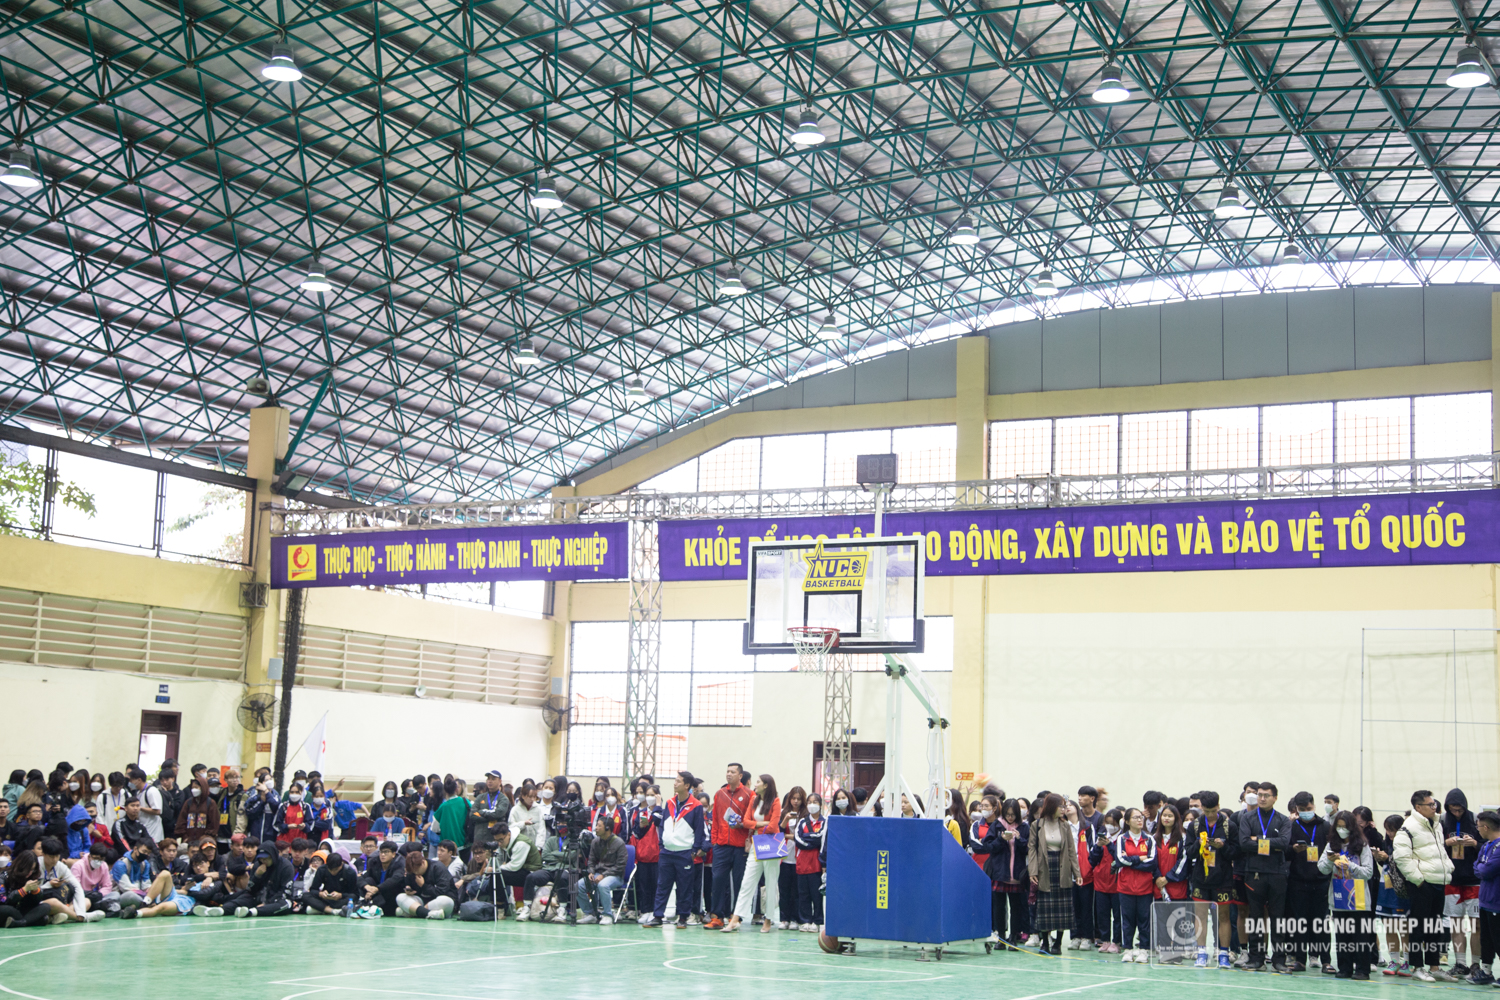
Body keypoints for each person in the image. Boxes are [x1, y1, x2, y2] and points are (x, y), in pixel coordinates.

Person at [1393, 789, 1457, 981]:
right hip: (1422, 884)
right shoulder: (1408, 827)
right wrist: (1419, 880)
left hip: (1439, 881)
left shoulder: (1436, 824)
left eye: (1434, 804)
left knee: (1435, 928)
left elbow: (1440, 850)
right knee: (1418, 928)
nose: (1434, 807)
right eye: (1430, 805)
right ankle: (1417, 967)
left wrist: (1449, 868)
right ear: (1418, 807)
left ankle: (1434, 967)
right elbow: (1402, 858)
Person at [1238, 781, 1290, 972]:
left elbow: (1284, 843)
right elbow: (1244, 843)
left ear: (1275, 798)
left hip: (1277, 874)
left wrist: (1257, 840)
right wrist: (1270, 843)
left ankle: (1279, 960)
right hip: (1254, 873)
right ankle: (1256, 958)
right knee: (1256, 917)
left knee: (1278, 918)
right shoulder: (1247, 818)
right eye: (1259, 794)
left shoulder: (1283, 820)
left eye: (1266, 795)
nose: (1262, 798)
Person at [1319, 809, 1376, 980]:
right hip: (1338, 894)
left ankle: (1362, 969)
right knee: (1342, 935)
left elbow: (1368, 872)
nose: (1341, 830)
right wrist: (1330, 863)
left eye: (1345, 827)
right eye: (1339, 827)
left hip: (1358, 895)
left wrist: (1349, 864)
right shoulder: (1331, 845)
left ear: (1352, 827)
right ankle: (1344, 968)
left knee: (1360, 936)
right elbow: (1321, 868)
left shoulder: (1362, 846)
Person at [644, 770, 705, 929]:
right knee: (662, 885)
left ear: (687, 785)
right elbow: (663, 824)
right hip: (666, 852)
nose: (674, 783)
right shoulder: (670, 802)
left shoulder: (696, 806)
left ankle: (683, 917)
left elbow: (699, 830)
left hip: (685, 852)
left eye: (678, 781)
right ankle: (658, 916)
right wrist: (662, 845)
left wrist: (694, 850)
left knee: (684, 887)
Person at [724, 773, 780, 933]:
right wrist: (760, 824)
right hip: (756, 844)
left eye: (758, 782)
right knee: (747, 882)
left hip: (771, 843)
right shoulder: (754, 800)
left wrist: (757, 826)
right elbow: (746, 822)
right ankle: (735, 919)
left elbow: (774, 826)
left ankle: (768, 919)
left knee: (769, 883)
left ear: (766, 785)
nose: (755, 784)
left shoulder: (775, 801)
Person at [1284, 791, 1332, 972]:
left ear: (1314, 806)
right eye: (1302, 809)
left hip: (1321, 881)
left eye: (1309, 808)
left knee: (1321, 923)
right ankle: (1300, 960)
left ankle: (1326, 960)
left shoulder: (1325, 826)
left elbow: (1333, 849)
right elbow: (1284, 853)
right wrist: (1293, 849)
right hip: (1298, 881)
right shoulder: (1291, 827)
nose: (1306, 811)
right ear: (1296, 809)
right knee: (1299, 923)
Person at [1027, 792, 1080, 955]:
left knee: (1062, 909)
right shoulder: (1037, 825)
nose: (1064, 809)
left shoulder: (1065, 826)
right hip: (1044, 867)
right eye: (1061, 806)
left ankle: (1058, 943)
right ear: (1051, 807)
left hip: (1062, 867)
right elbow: (1032, 849)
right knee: (1044, 908)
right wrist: (1033, 870)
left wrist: (1077, 873)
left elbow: (1071, 850)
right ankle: (1044, 942)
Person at [1188, 790, 1235, 968]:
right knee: (1199, 916)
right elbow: (1188, 852)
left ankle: (1223, 953)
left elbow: (1236, 852)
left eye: (1212, 811)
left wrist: (1222, 846)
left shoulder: (1229, 826)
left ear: (1218, 807)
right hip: (1201, 877)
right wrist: (1198, 845)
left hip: (1223, 878)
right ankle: (1201, 953)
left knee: (1223, 917)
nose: (1208, 815)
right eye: (1205, 811)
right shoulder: (1194, 825)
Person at [706, 762, 753, 929]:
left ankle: (736, 917)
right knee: (718, 880)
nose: (729, 774)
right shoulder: (719, 794)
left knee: (739, 881)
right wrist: (715, 841)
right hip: (721, 846)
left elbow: (751, 820)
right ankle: (716, 917)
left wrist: (742, 826)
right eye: (727, 771)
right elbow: (717, 819)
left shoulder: (749, 795)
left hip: (740, 846)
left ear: (740, 776)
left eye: (732, 772)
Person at [980, 797, 1030, 947]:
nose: (1010, 817)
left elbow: (1028, 849)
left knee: (1016, 907)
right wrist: (1001, 839)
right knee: (999, 907)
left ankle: (1013, 937)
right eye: (1007, 814)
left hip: (1017, 874)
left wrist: (1019, 839)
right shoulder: (996, 825)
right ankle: (1001, 937)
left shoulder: (1024, 827)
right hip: (999, 873)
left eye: (1013, 814)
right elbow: (988, 846)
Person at [1442, 788, 1482, 976]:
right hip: (1452, 880)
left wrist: (1474, 843)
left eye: (1459, 810)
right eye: (1453, 810)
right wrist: (1446, 844)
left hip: (1474, 880)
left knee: (1476, 925)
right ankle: (1460, 963)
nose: (1456, 813)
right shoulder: (1442, 821)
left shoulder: (1475, 820)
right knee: (1456, 924)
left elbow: (1488, 845)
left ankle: (1475, 964)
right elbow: (1434, 847)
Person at [1112, 807, 1157, 964]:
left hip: (1145, 887)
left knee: (1144, 919)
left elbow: (1152, 862)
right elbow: (1120, 860)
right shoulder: (1121, 840)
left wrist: (1131, 860)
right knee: (1127, 920)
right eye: (1135, 817)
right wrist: (1140, 858)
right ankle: (1128, 950)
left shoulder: (1149, 839)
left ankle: (1144, 950)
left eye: (1141, 817)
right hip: (1126, 887)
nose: (1139, 820)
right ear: (1127, 821)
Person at [1373, 812, 1410, 976]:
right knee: (1389, 927)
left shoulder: (1407, 844)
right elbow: (1385, 863)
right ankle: (1394, 960)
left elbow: (1406, 864)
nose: (1390, 833)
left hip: (1401, 891)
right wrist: (1379, 857)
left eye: (1393, 830)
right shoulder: (1385, 843)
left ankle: (1407, 962)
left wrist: (1389, 858)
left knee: (1404, 928)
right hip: (1385, 889)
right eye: (1387, 830)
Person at [575, 815, 627, 925]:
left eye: (599, 826)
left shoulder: (619, 843)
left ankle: (607, 914)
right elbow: (591, 860)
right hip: (598, 874)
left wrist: (604, 875)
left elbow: (620, 866)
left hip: (615, 876)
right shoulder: (595, 842)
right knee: (578, 886)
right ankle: (590, 914)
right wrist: (591, 872)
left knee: (603, 885)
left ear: (607, 828)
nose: (596, 828)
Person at [1471, 810, 1500, 985]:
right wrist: (1481, 867)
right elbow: (1478, 867)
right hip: (1485, 901)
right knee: (1486, 940)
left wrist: (1481, 867)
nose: (1478, 830)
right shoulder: (1485, 846)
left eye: (1479, 826)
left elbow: (1486, 870)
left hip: (1497, 902)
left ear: (1486, 827)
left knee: (1498, 940)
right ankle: (1486, 972)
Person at [627, 785, 661, 922]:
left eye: (652, 795)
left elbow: (658, 821)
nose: (649, 798)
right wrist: (640, 827)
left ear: (658, 796)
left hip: (657, 855)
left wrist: (658, 806)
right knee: (644, 885)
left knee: (656, 885)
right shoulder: (642, 813)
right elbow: (636, 833)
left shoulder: (662, 812)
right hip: (643, 855)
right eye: (648, 795)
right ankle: (645, 911)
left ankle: (655, 911)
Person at [774, 785, 806, 931]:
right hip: (784, 857)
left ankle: (795, 918)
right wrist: (785, 820)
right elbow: (778, 833)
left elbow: (804, 836)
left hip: (799, 857)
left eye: (799, 799)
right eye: (793, 798)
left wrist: (791, 836)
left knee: (797, 891)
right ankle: (784, 918)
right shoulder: (783, 813)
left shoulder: (805, 814)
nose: (796, 801)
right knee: (784, 889)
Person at [233, 844, 295, 918]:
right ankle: (222, 910)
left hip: (277, 899)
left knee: (286, 904)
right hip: (259, 898)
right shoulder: (257, 865)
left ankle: (250, 912)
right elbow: (250, 890)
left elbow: (286, 892)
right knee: (243, 898)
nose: (263, 861)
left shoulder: (286, 866)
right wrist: (257, 876)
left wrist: (267, 903)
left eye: (266, 858)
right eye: (261, 858)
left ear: (273, 856)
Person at [793, 792, 825, 931]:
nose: (812, 805)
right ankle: (805, 920)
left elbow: (820, 838)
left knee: (816, 895)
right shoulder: (802, 822)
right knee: (803, 894)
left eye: (815, 802)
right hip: (802, 864)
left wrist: (809, 838)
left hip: (816, 865)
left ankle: (817, 921)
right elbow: (798, 840)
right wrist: (810, 842)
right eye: (810, 802)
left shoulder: (825, 822)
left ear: (820, 805)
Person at [396, 847, 457, 919]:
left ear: (423, 862)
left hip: (437, 902)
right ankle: (428, 913)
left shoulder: (438, 867)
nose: (415, 873)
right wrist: (409, 889)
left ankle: (415, 912)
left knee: (445, 901)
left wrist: (423, 885)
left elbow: (442, 892)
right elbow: (415, 891)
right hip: (421, 902)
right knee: (400, 897)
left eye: (416, 870)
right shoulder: (412, 870)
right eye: (413, 872)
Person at [358, 840, 406, 917]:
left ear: (393, 854)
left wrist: (376, 889)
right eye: (381, 852)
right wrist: (367, 887)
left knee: (392, 887)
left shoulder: (400, 863)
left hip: (391, 896)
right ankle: (371, 907)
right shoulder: (374, 861)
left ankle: (372, 908)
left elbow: (394, 880)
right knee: (368, 880)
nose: (382, 855)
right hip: (376, 894)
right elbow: (362, 877)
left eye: (386, 852)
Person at [304, 849, 358, 915]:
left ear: (341, 865)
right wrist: (320, 894)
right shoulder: (322, 870)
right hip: (325, 899)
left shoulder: (350, 872)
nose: (332, 872)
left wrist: (340, 895)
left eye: (335, 870)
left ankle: (321, 909)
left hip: (341, 900)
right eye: (330, 870)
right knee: (305, 895)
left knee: (352, 900)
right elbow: (313, 890)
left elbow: (355, 895)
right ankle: (332, 911)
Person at [243, 770, 280, 843]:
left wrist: (267, 792)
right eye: (266, 780)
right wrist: (262, 802)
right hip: (256, 831)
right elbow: (250, 812)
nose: (269, 781)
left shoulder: (275, 795)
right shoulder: (254, 795)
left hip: (270, 832)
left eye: (270, 779)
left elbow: (276, 807)